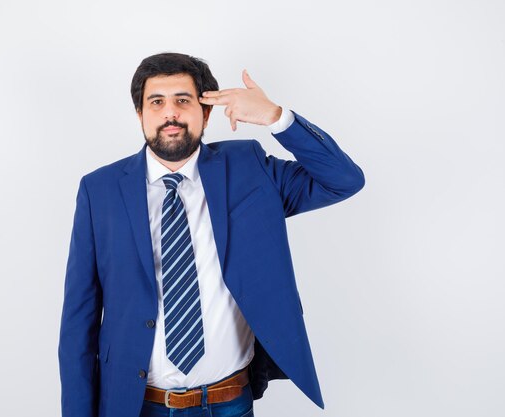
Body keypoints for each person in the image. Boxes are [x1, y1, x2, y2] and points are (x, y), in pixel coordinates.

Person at [58, 52, 365, 417]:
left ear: (205, 113)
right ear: (140, 114)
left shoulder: (249, 169)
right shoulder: (100, 190)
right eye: (156, 102)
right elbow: (79, 322)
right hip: (136, 405)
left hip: (228, 403)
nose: (170, 113)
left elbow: (344, 180)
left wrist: (276, 117)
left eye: (183, 101)